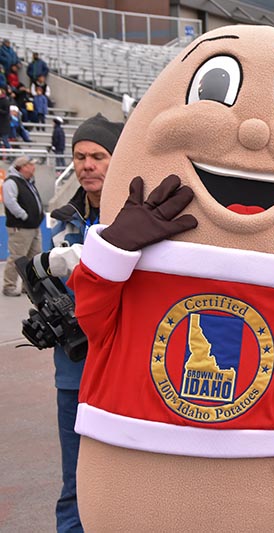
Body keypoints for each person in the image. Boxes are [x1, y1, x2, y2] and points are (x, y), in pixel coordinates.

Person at [35, 113, 123, 532]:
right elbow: (43, 283)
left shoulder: (139, 221)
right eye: (80, 156)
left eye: (98, 156)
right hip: (73, 371)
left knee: (127, 482)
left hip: (124, 375)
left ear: (118, 160)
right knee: (74, 483)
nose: (87, 165)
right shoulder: (59, 219)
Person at [2, 155, 43, 296]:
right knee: (17, 257)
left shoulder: (27, 182)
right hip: (21, 227)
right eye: (31, 164)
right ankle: (9, 285)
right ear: (23, 167)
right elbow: (10, 202)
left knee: (34, 258)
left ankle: (28, 286)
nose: (34, 167)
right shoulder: (12, 182)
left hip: (33, 226)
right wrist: (24, 216)